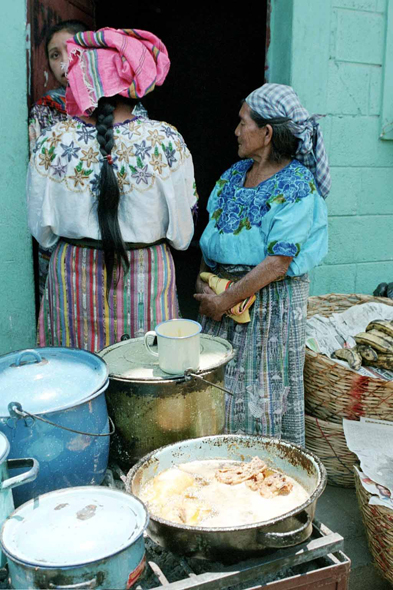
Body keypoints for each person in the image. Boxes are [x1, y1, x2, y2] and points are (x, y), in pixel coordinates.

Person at [27, 27, 197, 352]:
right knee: (145, 382)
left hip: (72, 277)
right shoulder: (166, 141)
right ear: (134, 82)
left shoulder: (52, 140)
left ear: (83, 80)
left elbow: (42, 232)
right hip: (147, 275)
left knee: (77, 380)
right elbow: (183, 234)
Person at [194, 83, 330, 446]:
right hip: (222, 302)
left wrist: (224, 302)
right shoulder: (233, 175)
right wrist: (206, 286)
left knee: (261, 400)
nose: (237, 131)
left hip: (270, 307)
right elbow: (212, 236)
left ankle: (261, 479)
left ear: (266, 133)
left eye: (243, 123)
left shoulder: (296, 184)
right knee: (217, 393)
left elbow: (277, 263)